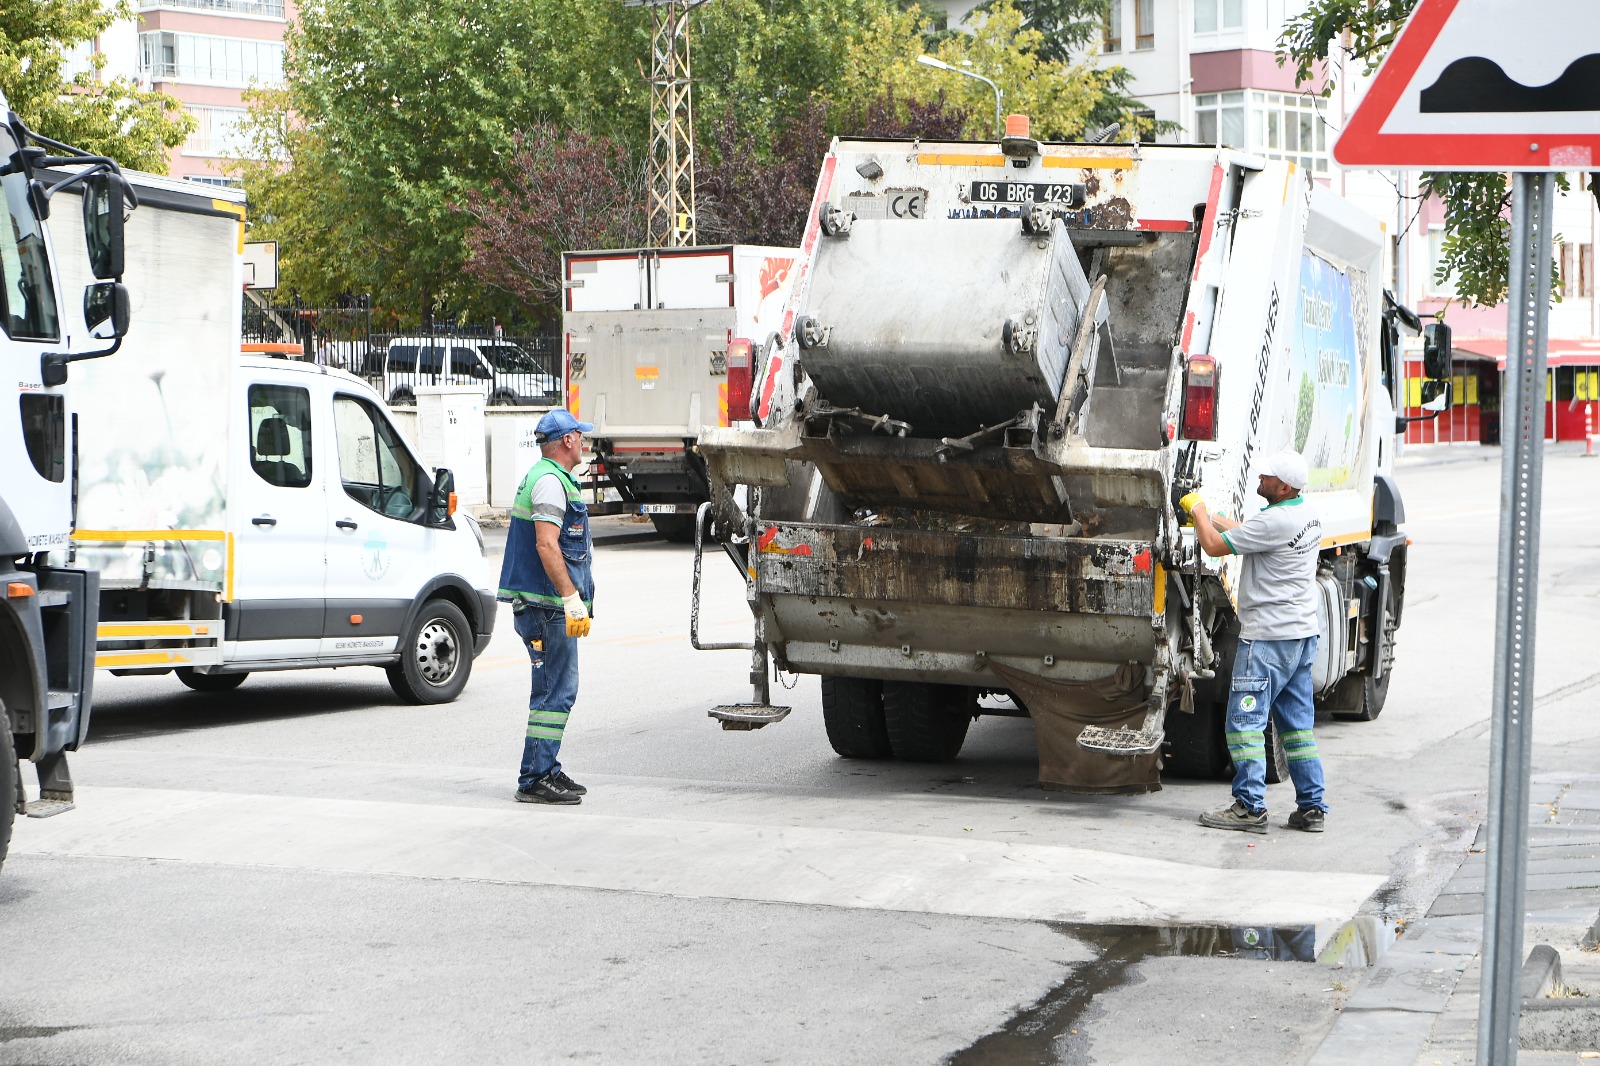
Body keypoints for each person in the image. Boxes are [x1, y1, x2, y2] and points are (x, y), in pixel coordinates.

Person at [1182, 450, 1328, 834]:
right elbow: (1246, 533)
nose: (1259, 480)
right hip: (1300, 638)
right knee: (1297, 729)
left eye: (1266, 478)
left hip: (1266, 640)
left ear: (1283, 487)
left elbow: (1214, 547)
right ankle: (1313, 807)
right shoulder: (1305, 515)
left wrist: (1196, 510)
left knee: (1245, 724)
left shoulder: (1276, 521)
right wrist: (1210, 516)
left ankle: (1250, 807)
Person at [499, 409, 596, 805]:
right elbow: (546, 544)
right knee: (554, 692)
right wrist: (570, 599)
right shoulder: (550, 483)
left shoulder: (548, 477)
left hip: (547, 606)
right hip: (547, 608)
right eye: (580, 434)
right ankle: (536, 776)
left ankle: (545, 767)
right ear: (568, 440)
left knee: (556, 689)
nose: (584, 440)